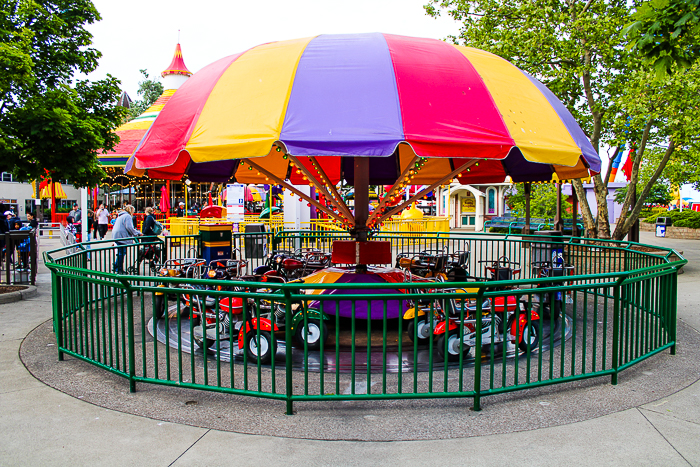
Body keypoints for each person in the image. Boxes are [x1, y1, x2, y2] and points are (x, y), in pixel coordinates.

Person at [111, 205, 142, 274]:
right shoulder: (127, 216)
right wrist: (137, 233)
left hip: (116, 235)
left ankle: (116, 267)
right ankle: (119, 269)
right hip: (122, 236)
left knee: (120, 252)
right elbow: (129, 227)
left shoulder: (121, 215)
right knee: (122, 253)